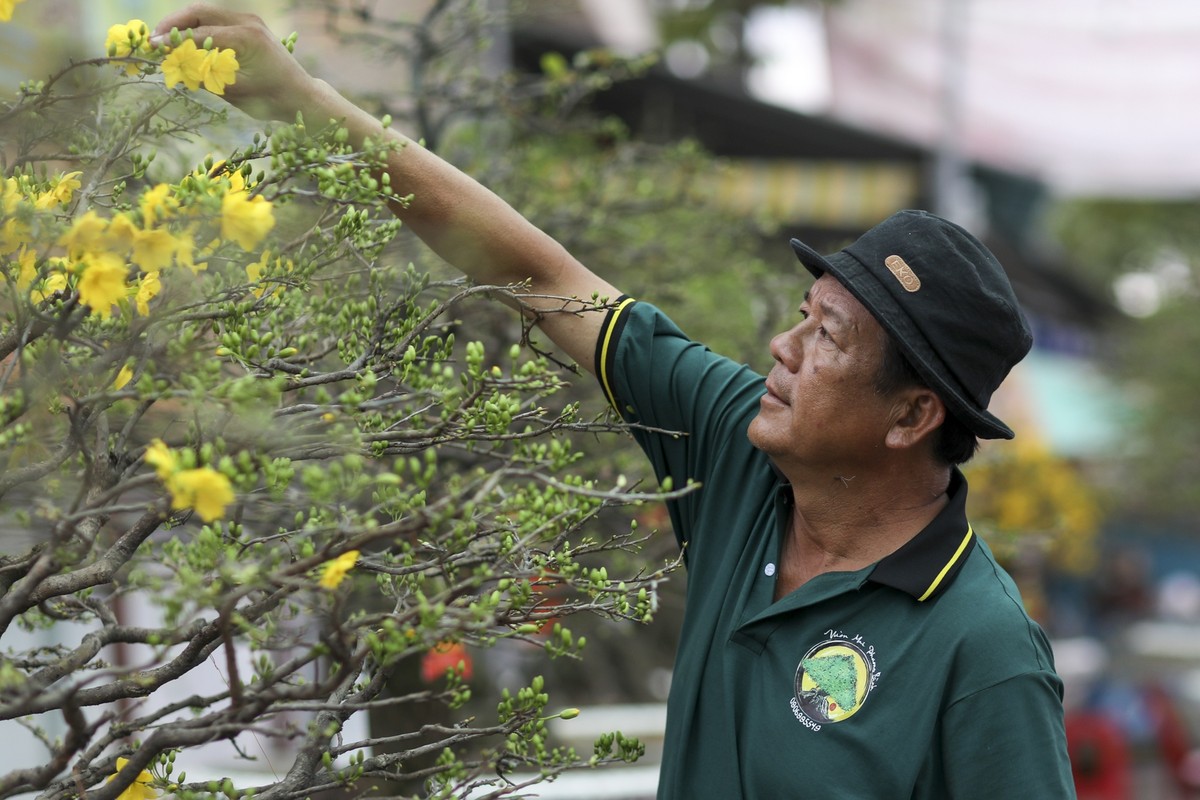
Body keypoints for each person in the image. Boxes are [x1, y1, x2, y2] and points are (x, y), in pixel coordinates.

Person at [153, 6, 1076, 798]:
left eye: (828, 339)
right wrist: (299, 101)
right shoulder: (737, 454)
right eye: (803, 314)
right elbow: (536, 273)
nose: (782, 348)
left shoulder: (981, 652)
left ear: (912, 416)